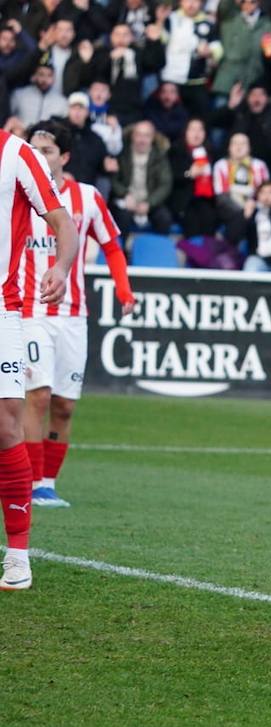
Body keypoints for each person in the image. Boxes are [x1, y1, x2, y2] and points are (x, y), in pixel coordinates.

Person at [19, 122, 134, 511]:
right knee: (37, 395)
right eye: (33, 149)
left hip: (72, 316)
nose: (38, 156)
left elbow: (112, 246)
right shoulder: (16, 193)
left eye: (47, 150)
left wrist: (124, 290)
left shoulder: (86, 198)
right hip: (29, 311)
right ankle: (31, 483)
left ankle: (49, 483)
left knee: (65, 404)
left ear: (65, 157)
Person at [0, 125, 76, 590]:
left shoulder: (16, 152)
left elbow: (62, 222)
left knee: (7, 423)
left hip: (1, 308)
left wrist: (62, 266)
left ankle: (18, 554)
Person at [110, 120, 173, 234]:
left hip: (150, 201)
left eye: (146, 136)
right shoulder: (122, 154)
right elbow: (113, 180)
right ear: (133, 136)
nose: (142, 140)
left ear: (152, 138)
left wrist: (149, 203)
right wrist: (125, 194)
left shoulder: (159, 156)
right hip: (127, 200)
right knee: (121, 218)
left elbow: (165, 184)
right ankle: (123, 250)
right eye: (138, 135)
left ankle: (157, 249)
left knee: (164, 218)